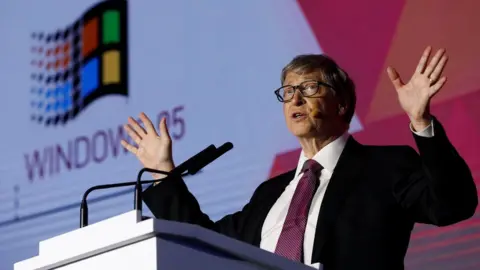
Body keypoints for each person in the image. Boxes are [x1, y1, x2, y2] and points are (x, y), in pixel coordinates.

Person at [120, 46, 478, 270]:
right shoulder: (269, 195)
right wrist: (163, 173)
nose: (294, 100)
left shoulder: (384, 167)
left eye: (309, 88)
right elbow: (205, 243)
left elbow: (453, 206)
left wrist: (420, 121)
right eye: (288, 91)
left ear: (342, 103)